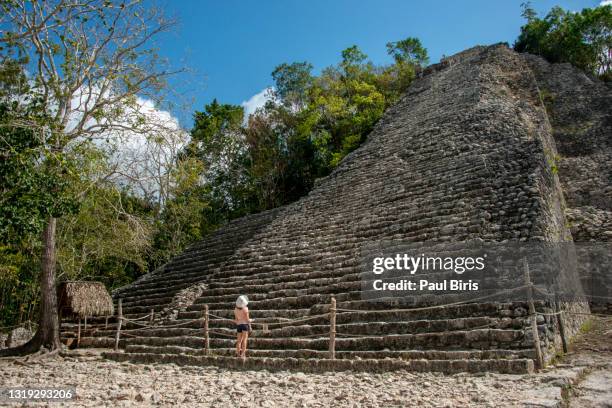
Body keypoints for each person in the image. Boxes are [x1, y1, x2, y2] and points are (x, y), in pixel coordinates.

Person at [234, 295, 251, 359]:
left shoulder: (235, 309)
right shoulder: (245, 309)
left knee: (239, 341)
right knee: (244, 340)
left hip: (238, 325)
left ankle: (238, 354)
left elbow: (236, 320)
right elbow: (247, 319)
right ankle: (243, 354)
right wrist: (251, 321)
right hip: (244, 325)